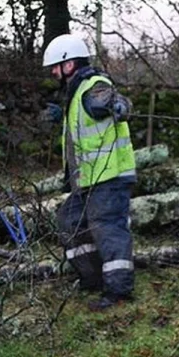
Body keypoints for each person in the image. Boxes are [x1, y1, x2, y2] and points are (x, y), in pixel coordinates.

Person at [42, 33, 137, 312]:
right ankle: (93, 277)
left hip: (109, 176)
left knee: (108, 227)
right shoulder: (75, 94)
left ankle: (118, 290)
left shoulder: (93, 85)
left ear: (69, 65)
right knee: (70, 220)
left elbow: (106, 100)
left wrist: (113, 105)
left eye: (55, 67)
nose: (52, 73)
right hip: (89, 178)